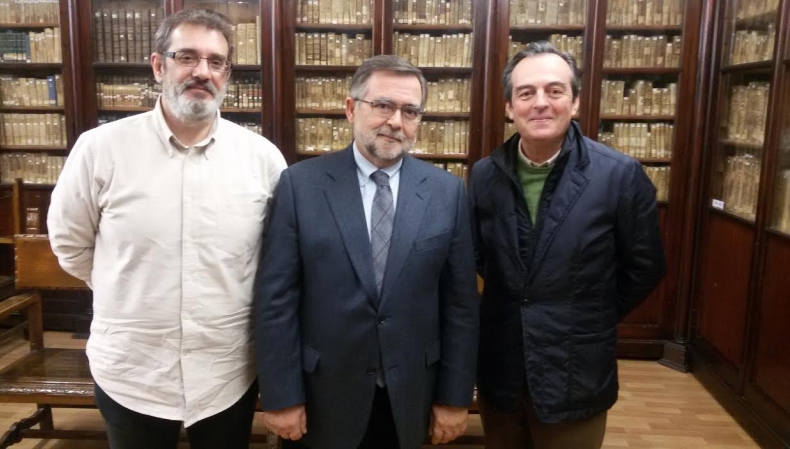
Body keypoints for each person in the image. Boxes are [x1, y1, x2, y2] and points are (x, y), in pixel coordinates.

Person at [47, 9, 286, 449]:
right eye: (187, 57)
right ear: (159, 66)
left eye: (216, 62)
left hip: (225, 371)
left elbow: (275, 257)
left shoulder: (262, 159)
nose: (202, 72)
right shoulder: (101, 149)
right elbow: (69, 244)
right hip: (132, 372)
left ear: (227, 74)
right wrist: (128, 288)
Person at [255, 54, 480, 449]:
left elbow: (460, 306)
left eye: (410, 111)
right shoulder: (300, 186)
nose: (396, 121)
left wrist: (453, 397)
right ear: (350, 109)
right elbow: (276, 301)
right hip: (321, 396)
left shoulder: (447, 193)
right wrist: (282, 395)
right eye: (383, 105)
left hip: (410, 395)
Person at [468, 41, 667, 449]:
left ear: (574, 102)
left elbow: (645, 267)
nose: (540, 102)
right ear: (509, 107)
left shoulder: (620, 176)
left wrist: (586, 314)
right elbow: (481, 257)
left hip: (576, 372)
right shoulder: (485, 175)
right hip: (501, 369)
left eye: (554, 90)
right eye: (526, 93)